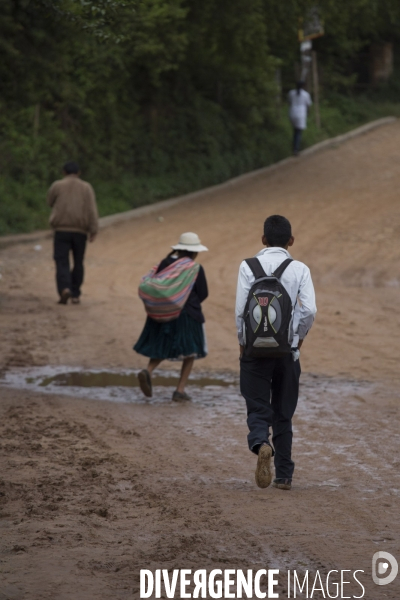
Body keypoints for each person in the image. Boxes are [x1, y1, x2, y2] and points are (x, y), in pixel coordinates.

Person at [235, 215, 316, 490]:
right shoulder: (300, 269)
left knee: (258, 406)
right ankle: (283, 475)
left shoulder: (247, 266)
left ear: (263, 239)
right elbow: (309, 311)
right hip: (287, 351)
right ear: (291, 241)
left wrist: (243, 344)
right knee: (283, 412)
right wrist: (297, 341)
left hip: (254, 351)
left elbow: (240, 311)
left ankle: (261, 443)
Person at [134, 232, 209, 402]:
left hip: (162, 312)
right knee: (190, 352)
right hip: (187, 315)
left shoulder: (164, 263)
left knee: (163, 345)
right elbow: (203, 293)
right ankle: (180, 390)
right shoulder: (195, 268)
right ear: (195, 252)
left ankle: (149, 371)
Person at [46, 161, 98, 304]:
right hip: (80, 231)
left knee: (61, 261)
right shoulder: (86, 187)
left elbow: (49, 201)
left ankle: (64, 289)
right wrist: (93, 229)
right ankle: (75, 294)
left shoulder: (57, 185)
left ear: (64, 172)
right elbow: (92, 210)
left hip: (61, 230)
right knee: (78, 262)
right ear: (79, 173)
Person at [288, 81, 312, 156]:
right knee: (298, 132)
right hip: (301, 114)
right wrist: (308, 113)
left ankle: (295, 146)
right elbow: (308, 105)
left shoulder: (291, 93)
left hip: (292, 113)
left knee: (295, 130)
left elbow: (289, 102)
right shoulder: (305, 94)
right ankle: (296, 149)